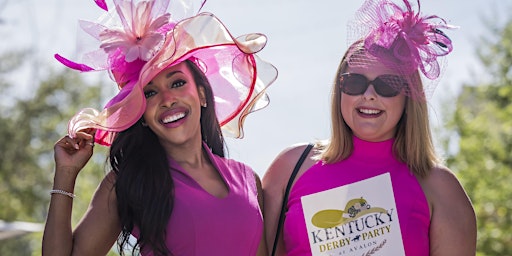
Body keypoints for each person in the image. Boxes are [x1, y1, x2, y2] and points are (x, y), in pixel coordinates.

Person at [42, 0, 277, 255]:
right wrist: (66, 173)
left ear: (202, 94)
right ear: (140, 113)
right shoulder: (128, 182)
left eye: (177, 83)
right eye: (150, 93)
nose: (167, 99)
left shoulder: (249, 180)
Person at [262, 0, 476, 255]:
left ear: (409, 97)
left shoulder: (440, 187)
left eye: (387, 84)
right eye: (354, 82)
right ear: (339, 90)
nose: (369, 95)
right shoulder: (290, 167)